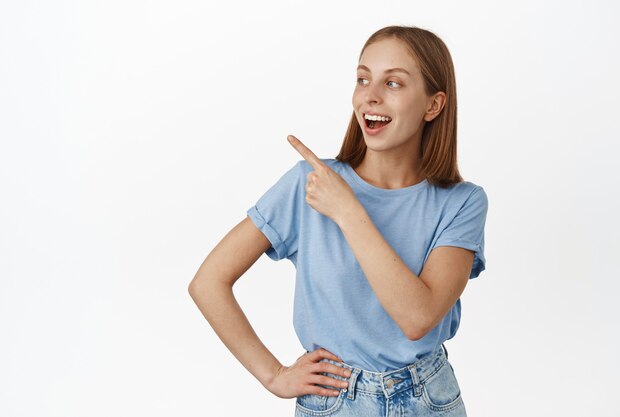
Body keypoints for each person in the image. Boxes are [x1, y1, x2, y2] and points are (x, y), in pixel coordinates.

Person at [189, 25, 488, 417]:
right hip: (334, 401)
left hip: (428, 398)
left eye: (393, 83)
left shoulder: (462, 203)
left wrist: (348, 212)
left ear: (433, 105)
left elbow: (417, 317)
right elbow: (208, 282)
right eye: (363, 79)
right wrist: (274, 375)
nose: (370, 95)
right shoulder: (308, 184)